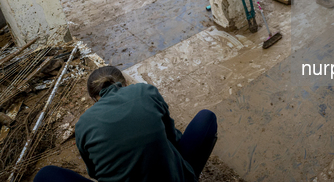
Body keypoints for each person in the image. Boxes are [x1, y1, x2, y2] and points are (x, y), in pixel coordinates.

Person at [34, 66, 218, 182]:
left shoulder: (83, 124)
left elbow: (95, 172)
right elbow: (172, 137)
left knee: (45, 175)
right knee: (206, 118)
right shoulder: (145, 91)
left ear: (93, 98)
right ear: (124, 83)